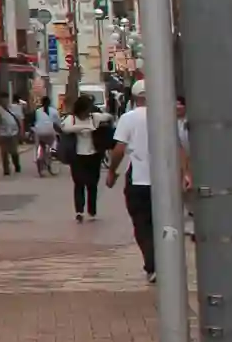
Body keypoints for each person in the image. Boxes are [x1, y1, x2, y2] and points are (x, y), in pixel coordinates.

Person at [106, 80, 188, 282]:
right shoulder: (165, 117)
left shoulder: (128, 118)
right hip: (165, 179)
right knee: (164, 222)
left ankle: (152, 265)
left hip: (138, 180)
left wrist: (111, 172)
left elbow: (119, 149)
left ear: (134, 98)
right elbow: (179, 148)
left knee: (142, 224)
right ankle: (167, 263)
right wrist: (186, 174)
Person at [60, 93, 110, 222]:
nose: (88, 112)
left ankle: (92, 211)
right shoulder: (71, 119)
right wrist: (85, 127)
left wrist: (100, 123)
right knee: (79, 183)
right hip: (77, 156)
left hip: (93, 155)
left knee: (92, 184)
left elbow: (108, 117)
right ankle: (79, 211)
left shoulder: (94, 117)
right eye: (86, 109)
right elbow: (65, 129)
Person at [0, 97, 23, 176]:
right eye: (3, 100)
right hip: (3, 134)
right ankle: (6, 170)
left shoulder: (14, 108)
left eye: (6, 100)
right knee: (4, 152)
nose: (4, 101)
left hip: (13, 133)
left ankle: (17, 165)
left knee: (14, 151)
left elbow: (19, 120)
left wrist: (21, 132)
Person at [32, 98, 59, 177]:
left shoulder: (37, 111)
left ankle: (40, 166)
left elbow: (34, 122)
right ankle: (49, 158)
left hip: (39, 132)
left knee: (40, 148)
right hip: (50, 132)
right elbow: (58, 123)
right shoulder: (54, 111)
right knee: (52, 146)